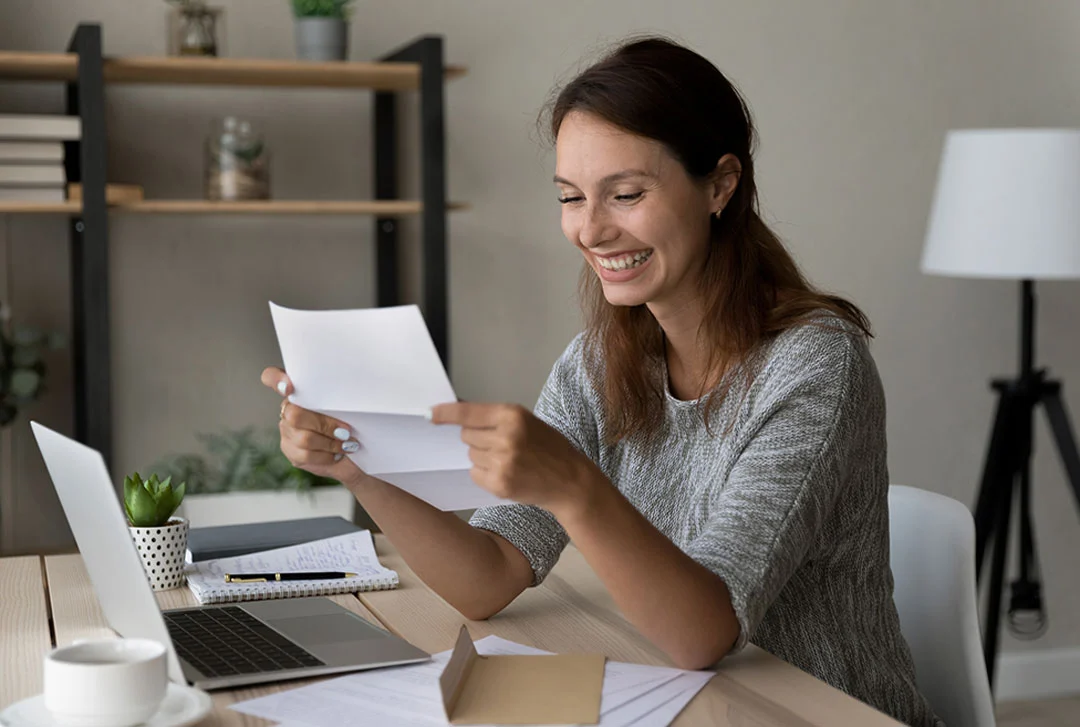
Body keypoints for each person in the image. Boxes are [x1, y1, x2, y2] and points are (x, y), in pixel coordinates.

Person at [262, 36, 941, 727]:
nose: (590, 229)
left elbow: (704, 632)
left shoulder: (816, 367)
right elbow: (489, 575)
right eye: (570, 197)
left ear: (721, 184)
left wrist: (572, 485)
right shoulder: (599, 362)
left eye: (626, 194)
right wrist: (356, 464)